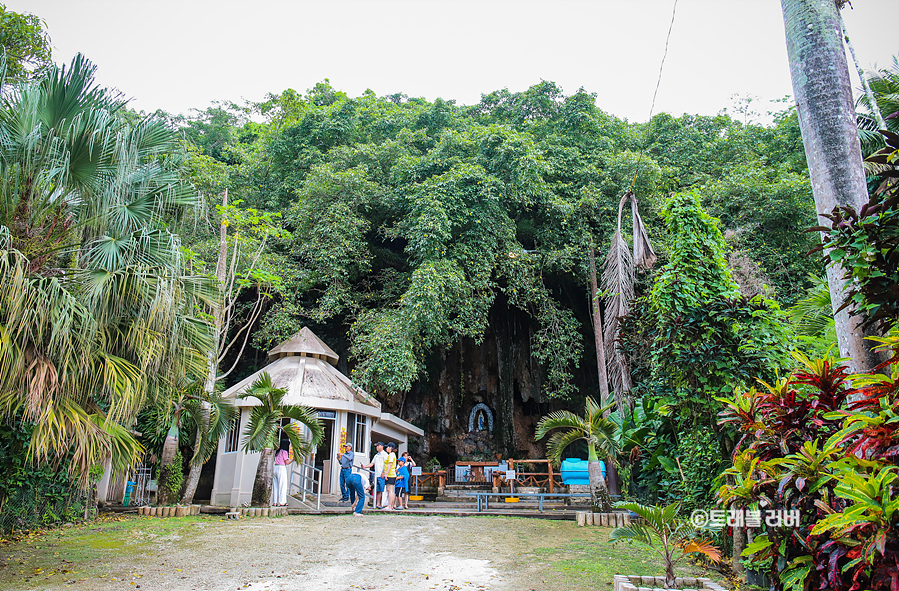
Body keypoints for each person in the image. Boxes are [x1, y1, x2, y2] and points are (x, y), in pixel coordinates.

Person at [362, 442, 387, 508]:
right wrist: (365, 466)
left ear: (382, 446)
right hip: (376, 475)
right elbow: (372, 463)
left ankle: (383, 503)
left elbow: (386, 464)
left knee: (382, 489)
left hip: (382, 475)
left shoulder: (385, 454)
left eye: (378, 446)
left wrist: (383, 472)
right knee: (378, 490)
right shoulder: (376, 455)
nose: (377, 447)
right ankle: (378, 504)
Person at [272, 441, 292, 506]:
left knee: (275, 486)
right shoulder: (284, 452)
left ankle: (275, 502)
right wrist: (293, 459)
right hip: (281, 467)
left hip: (275, 467)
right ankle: (282, 502)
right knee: (282, 485)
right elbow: (287, 462)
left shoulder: (278, 452)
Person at [383, 442, 398, 511]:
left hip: (390, 474)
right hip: (391, 474)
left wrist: (386, 474)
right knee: (389, 490)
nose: (386, 448)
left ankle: (389, 505)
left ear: (390, 448)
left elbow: (390, 464)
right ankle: (390, 505)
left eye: (387, 447)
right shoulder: (391, 455)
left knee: (390, 490)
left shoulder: (391, 455)